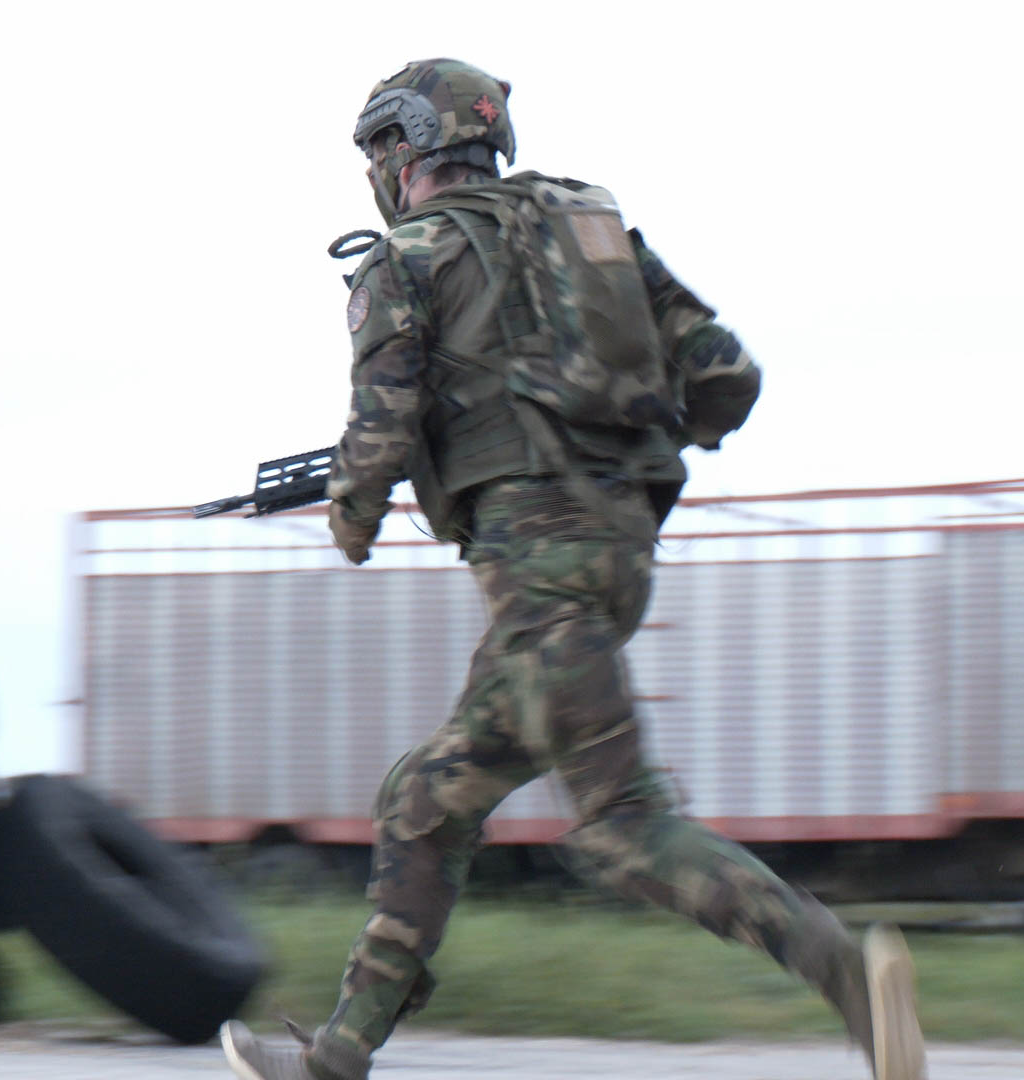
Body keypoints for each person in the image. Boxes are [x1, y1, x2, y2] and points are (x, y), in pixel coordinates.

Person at [219, 60, 925, 1080]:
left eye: (379, 150)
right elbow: (727, 374)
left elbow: (380, 427)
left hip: (536, 569)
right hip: (614, 559)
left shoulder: (402, 260)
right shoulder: (591, 231)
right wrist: (632, 450)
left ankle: (848, 975)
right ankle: (338, 1055)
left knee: (620, 826)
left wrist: (352, 515)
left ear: (403, 151)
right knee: (426, 799)